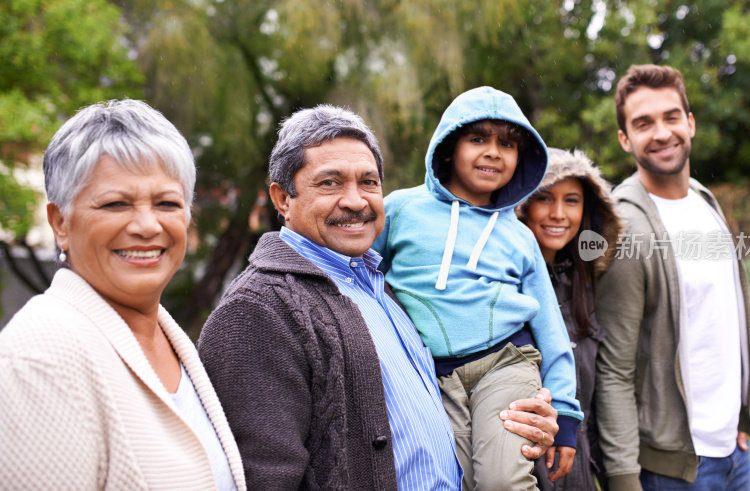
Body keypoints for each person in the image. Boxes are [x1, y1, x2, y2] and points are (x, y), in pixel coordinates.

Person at [198, 104, 562, 490]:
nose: (356, 201)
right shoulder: (258, 309)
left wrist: (520, 419)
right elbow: (260, 478)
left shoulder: (380, 287)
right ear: (282, 199)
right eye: (330, 183)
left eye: (369, 183)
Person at [0, 100, 246, 490]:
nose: (147, 226)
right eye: (116, 203)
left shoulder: (171, 342)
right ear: (60, 223)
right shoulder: (40, 357)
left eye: (167, 203)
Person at [372, 86, 582, 490]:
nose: (493, 151)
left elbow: (552, 328)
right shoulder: (400, 209)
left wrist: (566, 413)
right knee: (452, 481)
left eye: (507, 143)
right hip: (431, 376)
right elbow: (362, 278)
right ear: (449, 147)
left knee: (503, 480)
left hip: (506, 364)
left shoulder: (520, 237)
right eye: (478, 138)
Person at [595, 64, 750, 490]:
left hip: (735, 453)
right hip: (673, 470)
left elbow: (724, 321)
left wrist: (738, 418)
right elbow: (614, 370)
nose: (662, 132)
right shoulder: (625, 227)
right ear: (625, 139)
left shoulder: (705, 201)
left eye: (671, 117)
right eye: (643, 123)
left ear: (690, 122)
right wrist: (624, 479)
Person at [518, 148, 622, 490]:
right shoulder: (508, 290)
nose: (558, 214)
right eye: (545, 198)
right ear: (522, 205)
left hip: (576, 466)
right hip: (523, 465)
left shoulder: (583, 286)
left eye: (572, 200)